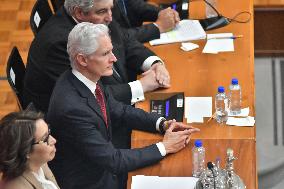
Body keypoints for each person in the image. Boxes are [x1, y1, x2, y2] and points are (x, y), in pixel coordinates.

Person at [46, 22, 200, 189]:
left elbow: (118, 110)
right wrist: (165, 146)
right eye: (105, 53)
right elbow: (113, 160)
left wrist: (162, 124)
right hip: (95, 181)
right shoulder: (71, 108)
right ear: (82, 59)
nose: (114, 58)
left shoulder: (85, 79)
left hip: (106, 162)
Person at [23, 0, 170, 113]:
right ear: (79, 12)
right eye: (102, 11)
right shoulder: (60, 45)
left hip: (113, 99)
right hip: (76, 126)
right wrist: (142, 85)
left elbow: (125, 41)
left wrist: (154, 63)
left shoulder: (97, 16)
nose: (110, 18)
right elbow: (89, 95)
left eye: (110, 8)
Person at [0, 111, 58, 189]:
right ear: (26, 151)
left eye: (49, 132)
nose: (54, 140)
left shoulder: (40, 163)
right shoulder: (16, 187)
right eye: (45, 139)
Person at [113, 0, 180, 43]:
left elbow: (137, 6)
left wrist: (165, 14)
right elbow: (117, 37)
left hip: (137, 47)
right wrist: (158, 27)